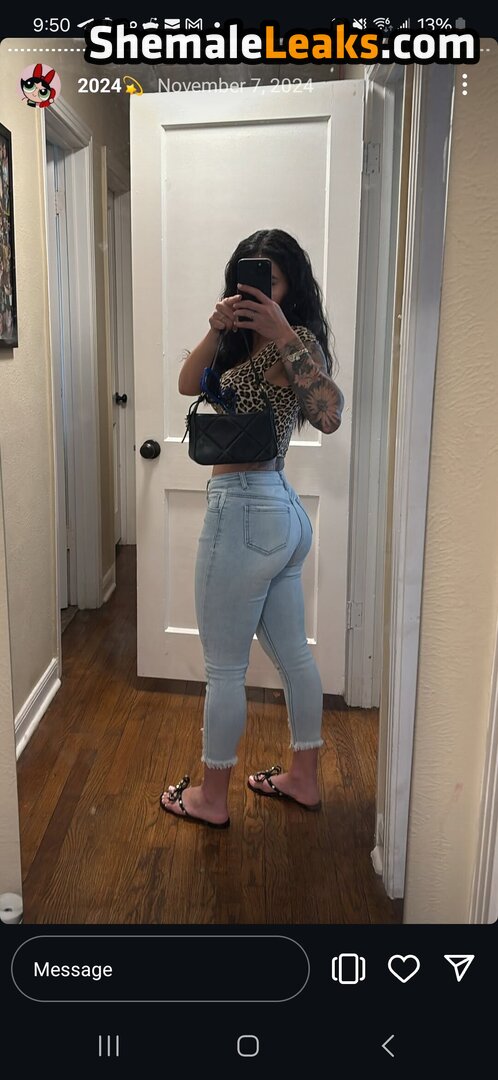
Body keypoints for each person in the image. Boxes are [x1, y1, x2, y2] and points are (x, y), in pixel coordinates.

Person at [160, 229, 345, 827]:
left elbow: (329, 414)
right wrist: (216, 328)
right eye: (247, 277)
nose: (259, 289)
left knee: (223, 669)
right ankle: (303, 779)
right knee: (293, 656)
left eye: (272, 279)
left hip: (244, 510)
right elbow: (188, 385)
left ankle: (210, 799)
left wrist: (284, 333)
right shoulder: (236, 341)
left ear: (292, 286)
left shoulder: (298, 341)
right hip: (276, 512)